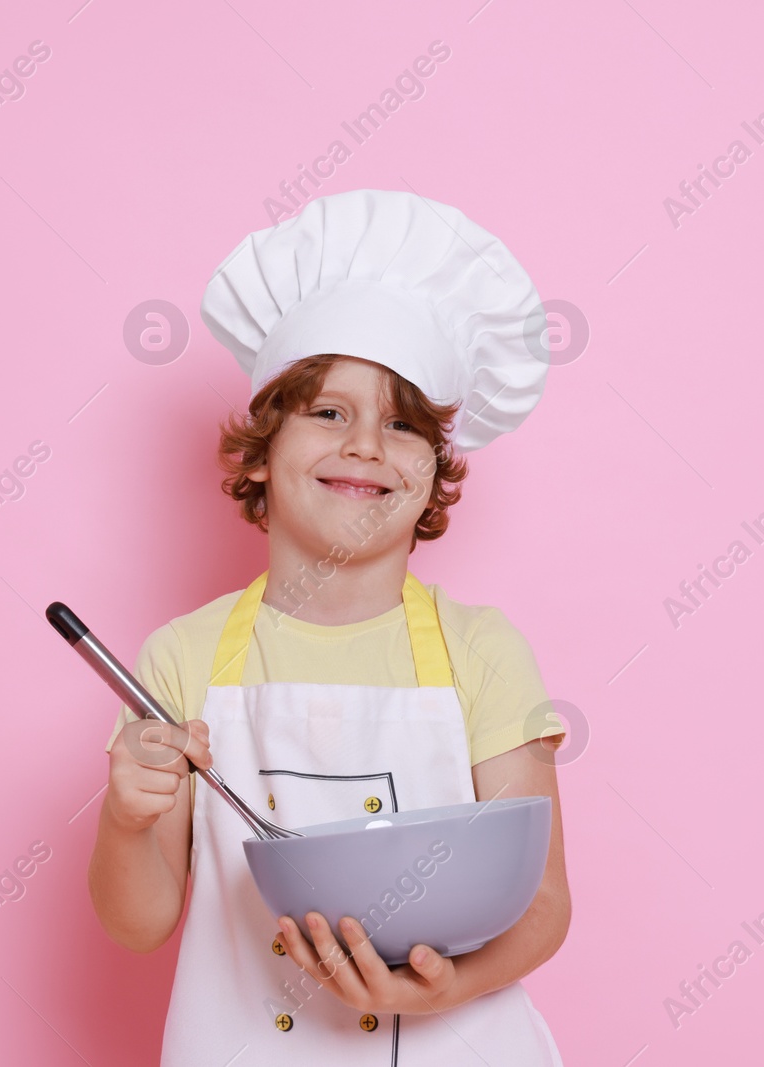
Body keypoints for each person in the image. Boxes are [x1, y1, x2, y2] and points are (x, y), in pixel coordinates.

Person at [88, 188, 569, 1065]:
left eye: (402, 423)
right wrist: (126, 818)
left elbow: (541, 904)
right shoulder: (183, 657)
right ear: (264, 454)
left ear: (433, 471)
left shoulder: (480, 651)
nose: (365, 446)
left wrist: (444, 986)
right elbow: (140, 921)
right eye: (328, 411)